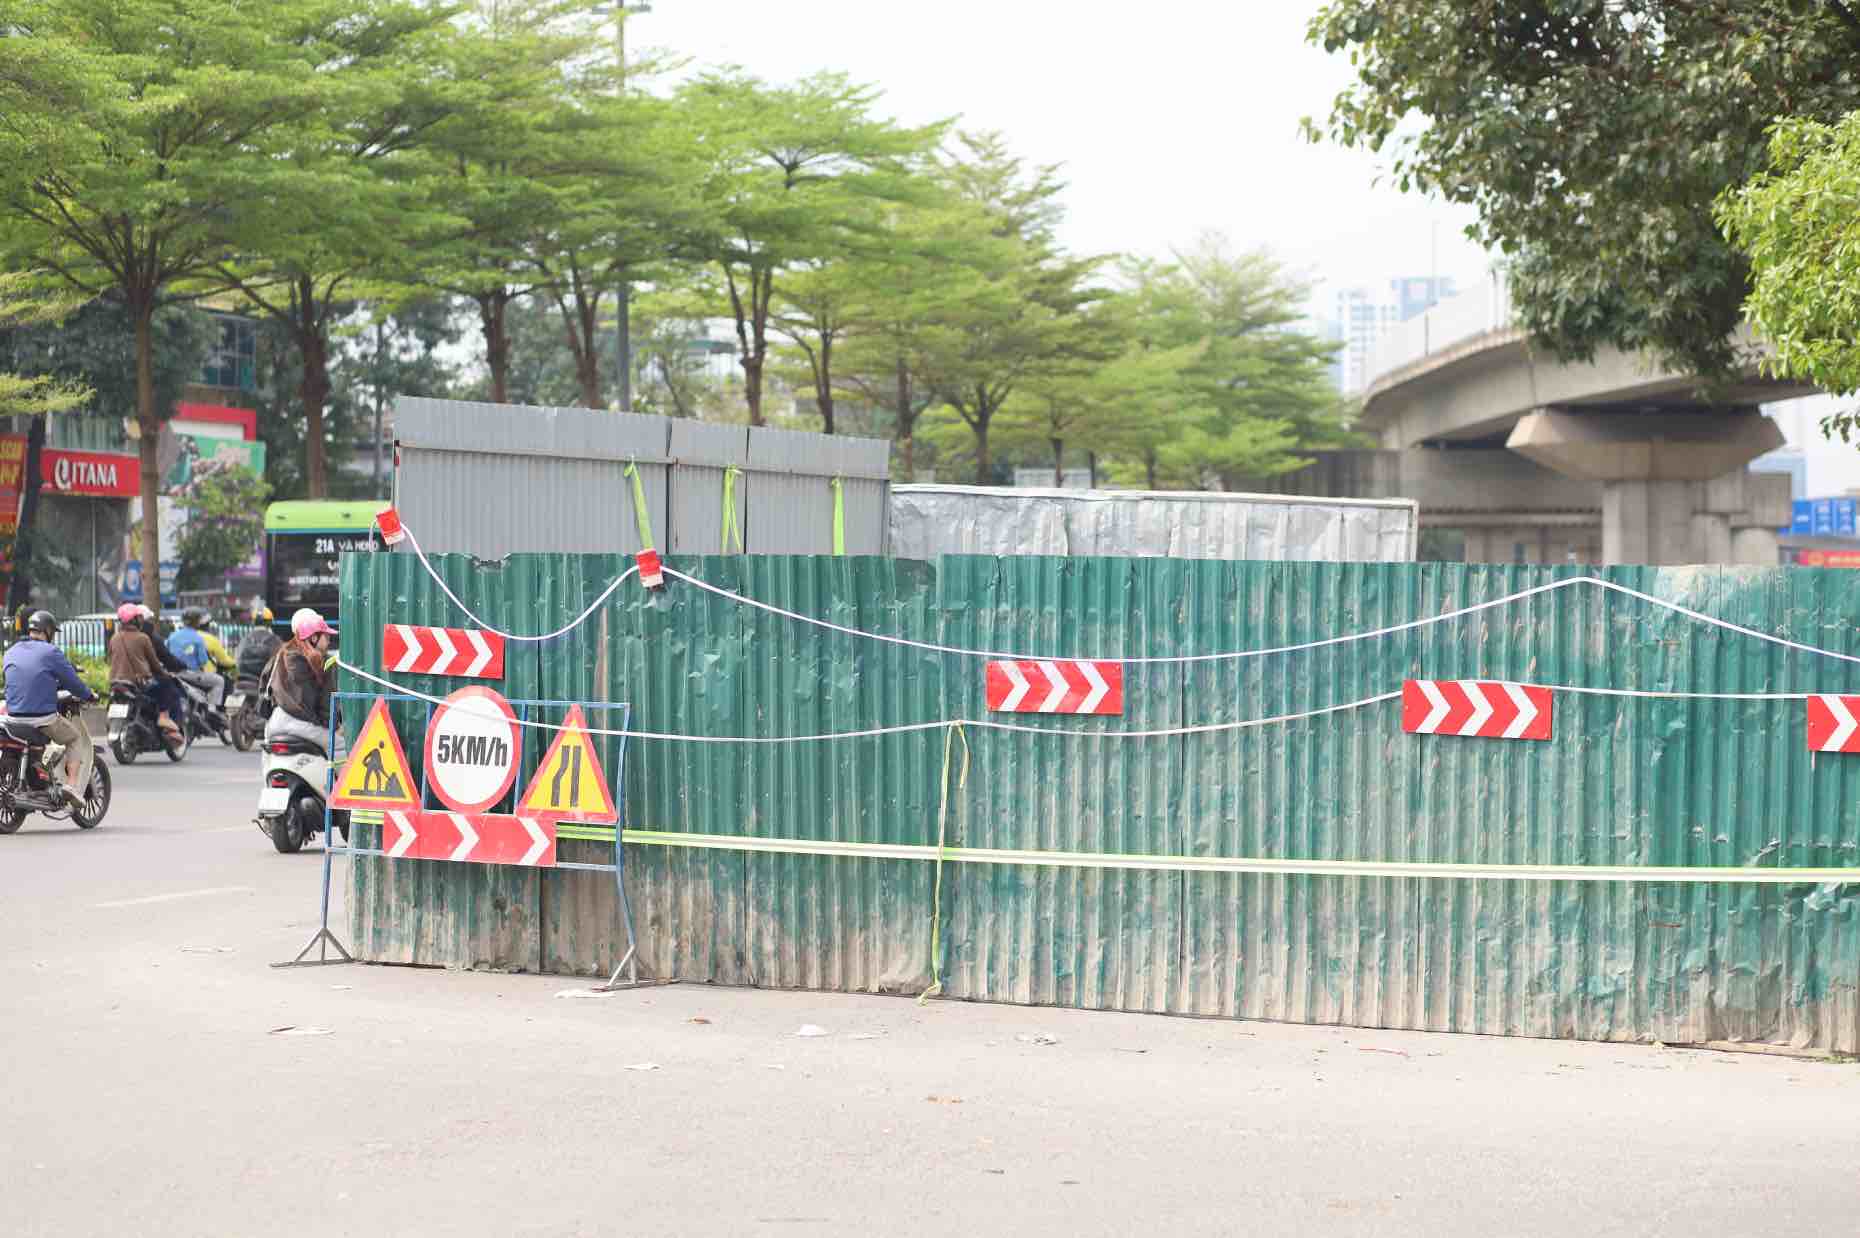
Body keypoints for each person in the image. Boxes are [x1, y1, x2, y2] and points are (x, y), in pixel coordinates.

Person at [3, 611, 98, 808]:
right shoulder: (50, 652)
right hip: (41, 718)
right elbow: (72, 682)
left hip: (12, 717)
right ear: (47, 631)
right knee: (74, 738)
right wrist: (89, 695)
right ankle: (72, 786)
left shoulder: (11, 651)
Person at [109, 602, 182, 739]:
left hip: (115, 681)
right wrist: (165, 674)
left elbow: (109, 659)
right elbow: (155, 665)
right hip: (138, 682)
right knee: (166, 683)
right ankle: (163, 716)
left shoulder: (114, 638)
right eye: (139, 618)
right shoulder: (143, 638)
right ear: (135, 620)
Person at [266, 607, 334, 750]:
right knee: (342, 746)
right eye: (326, 636)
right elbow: (324, 704)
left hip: (274, 722)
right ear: (313, 637)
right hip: (302, 723)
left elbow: (264, 688)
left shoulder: (280, 653)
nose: (329, 641)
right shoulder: (324, 662)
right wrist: (332, 726)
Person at [168, 607, 227, 709]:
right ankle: (212, 710)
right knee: (219, 681)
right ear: (197, 622)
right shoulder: (197, 638)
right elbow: (203, 661)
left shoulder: (172, 636)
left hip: (174, 674)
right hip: (192, 675)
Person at [235, 607, 280, 684]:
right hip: (266, 681)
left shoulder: (245, 639)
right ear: (270, 622)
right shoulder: (274, 640)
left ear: (253, 622)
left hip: (245, 678)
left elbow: (237, 659)